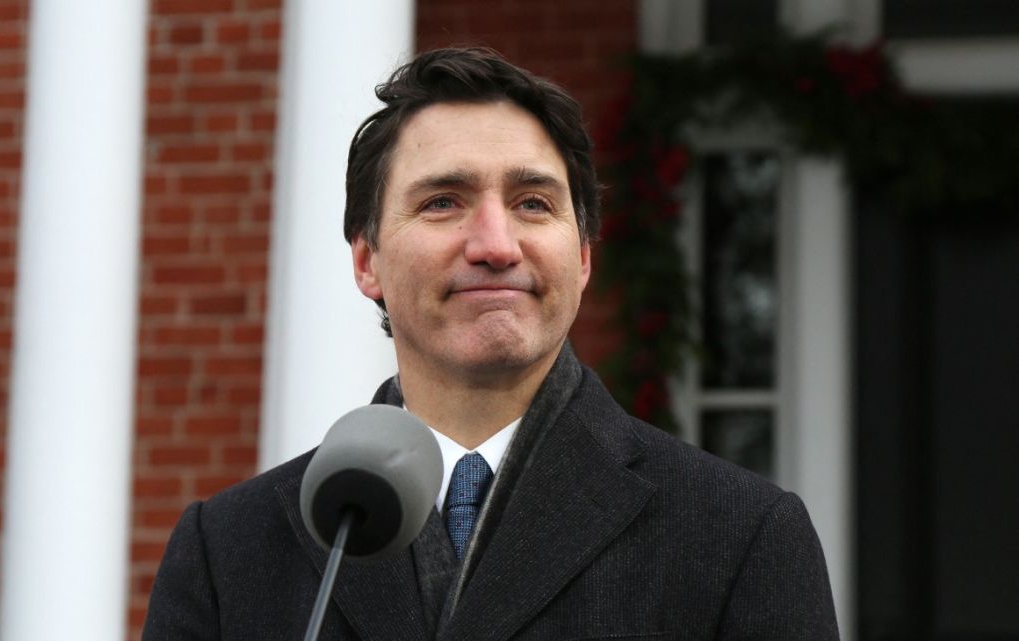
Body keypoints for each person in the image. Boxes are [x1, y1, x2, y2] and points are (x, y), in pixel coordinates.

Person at [143, 47, 839, 640]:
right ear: (367, 261)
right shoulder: (227, 552)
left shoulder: (741, 538)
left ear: (585, 257)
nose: (497, 245)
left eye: (533, 203)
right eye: (443, 201)